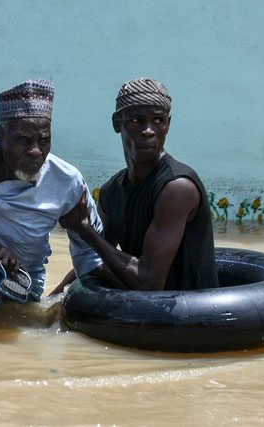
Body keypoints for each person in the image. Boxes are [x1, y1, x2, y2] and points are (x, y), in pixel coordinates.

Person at [55, 77, 219, 292]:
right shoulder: (111, 191)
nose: (148, 130)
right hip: (144, 312)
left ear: (168, 125)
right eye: (137, 120)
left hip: (191, 316)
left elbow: (149, 282)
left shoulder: (177, 188)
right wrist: (50, 301)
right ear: (117, 122)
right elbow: (96, 259)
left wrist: (84, 228)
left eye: (158, 121)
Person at [0, 79, 105, 301]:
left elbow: (89, 255)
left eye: (44, 141)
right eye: (23, 140)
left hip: (24, 283)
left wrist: (56, 304)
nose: (36, 151)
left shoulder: (67, 182)